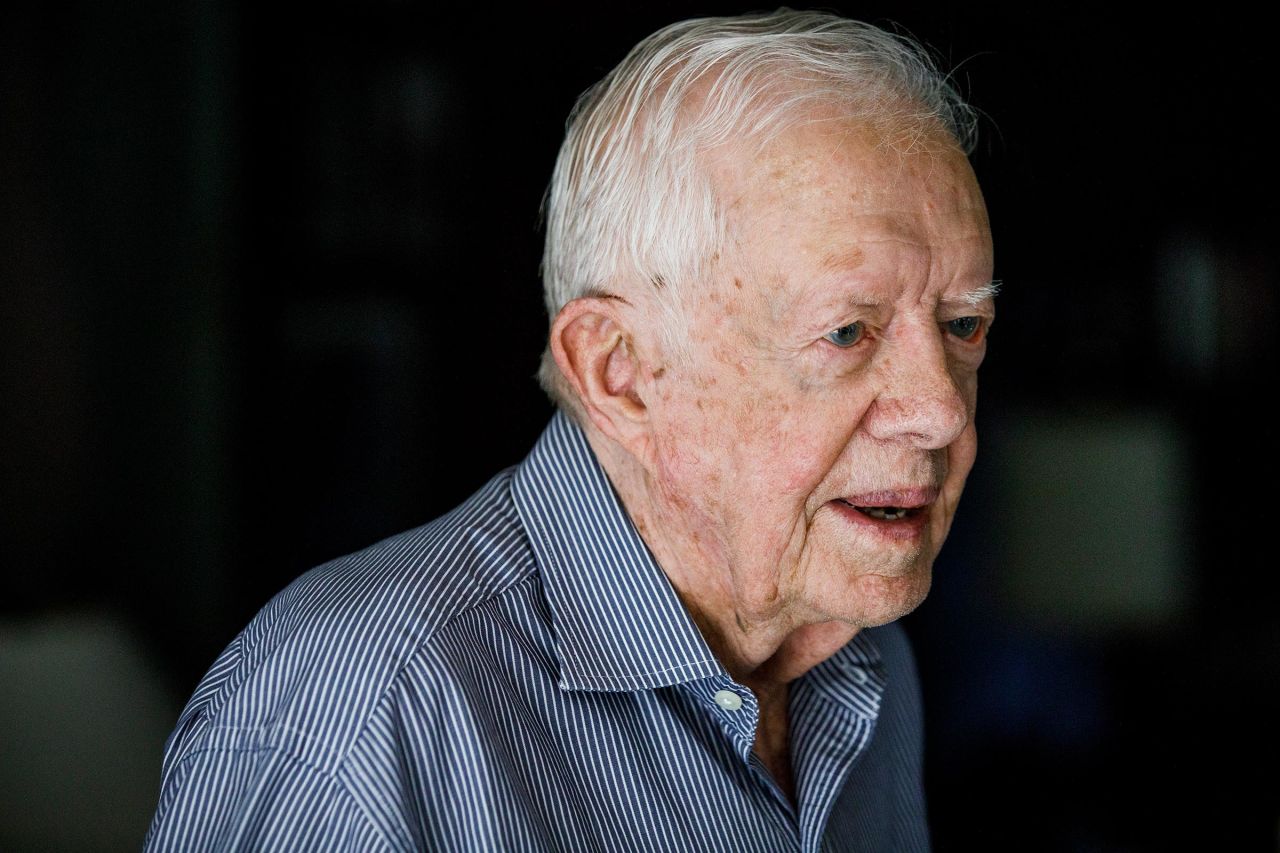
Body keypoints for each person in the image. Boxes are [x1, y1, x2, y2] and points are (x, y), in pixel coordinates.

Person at [145, 8, 995, 851]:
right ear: (617, 371)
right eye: (847, 332)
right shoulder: (358, 720)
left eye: (962, 325)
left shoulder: (866, 662)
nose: (941, 408)